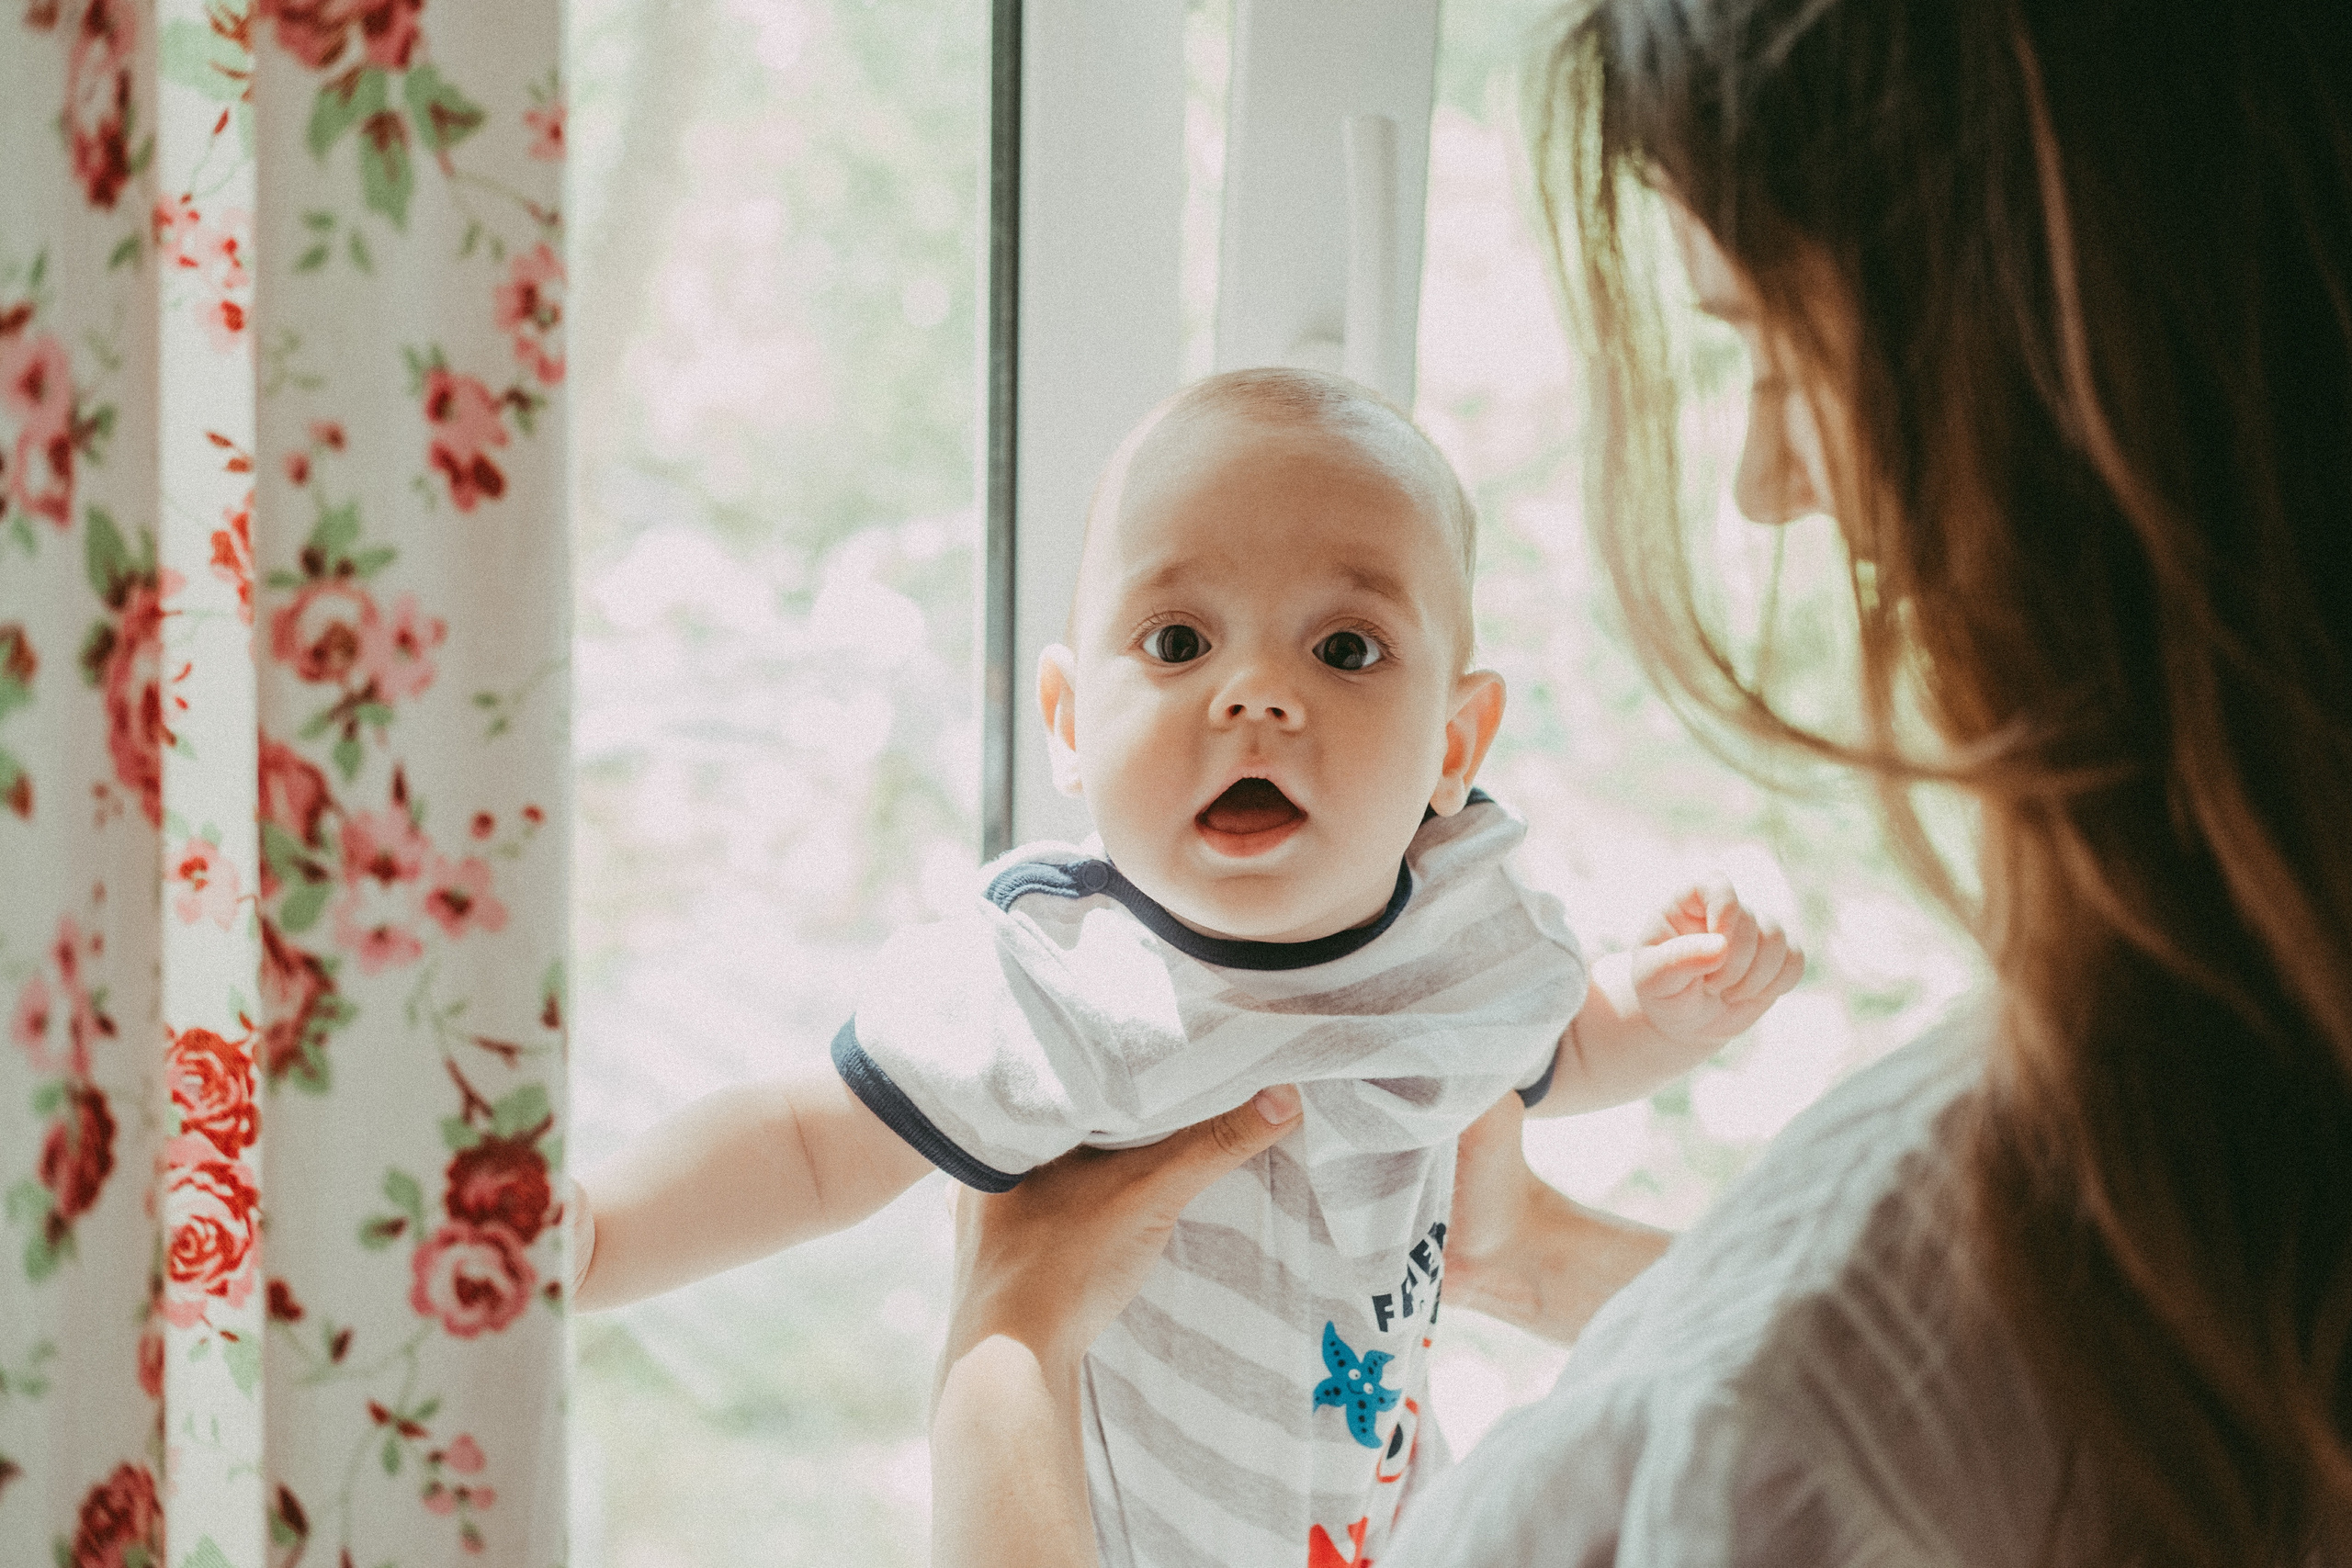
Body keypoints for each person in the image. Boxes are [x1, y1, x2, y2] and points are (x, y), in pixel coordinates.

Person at [925, 2, 2352, 1565]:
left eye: (1770, 353)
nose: (1762, 480)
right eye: (1177, 638)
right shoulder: (2247, 1096)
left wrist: (1006, 1352)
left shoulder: (1740, 1448)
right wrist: (1530, 1253)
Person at [569, 367, 1805, 1565]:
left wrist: (1664, 1008)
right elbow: (809, 1142)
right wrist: (598, 1235)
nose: (1257, 693)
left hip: (1385, 1519)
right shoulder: (1060, 983)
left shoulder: (1461, 932)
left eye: (1347, 650)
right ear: (1067, 723)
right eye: (1177, 640)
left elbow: (1551, 1050)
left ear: (1456, 741)